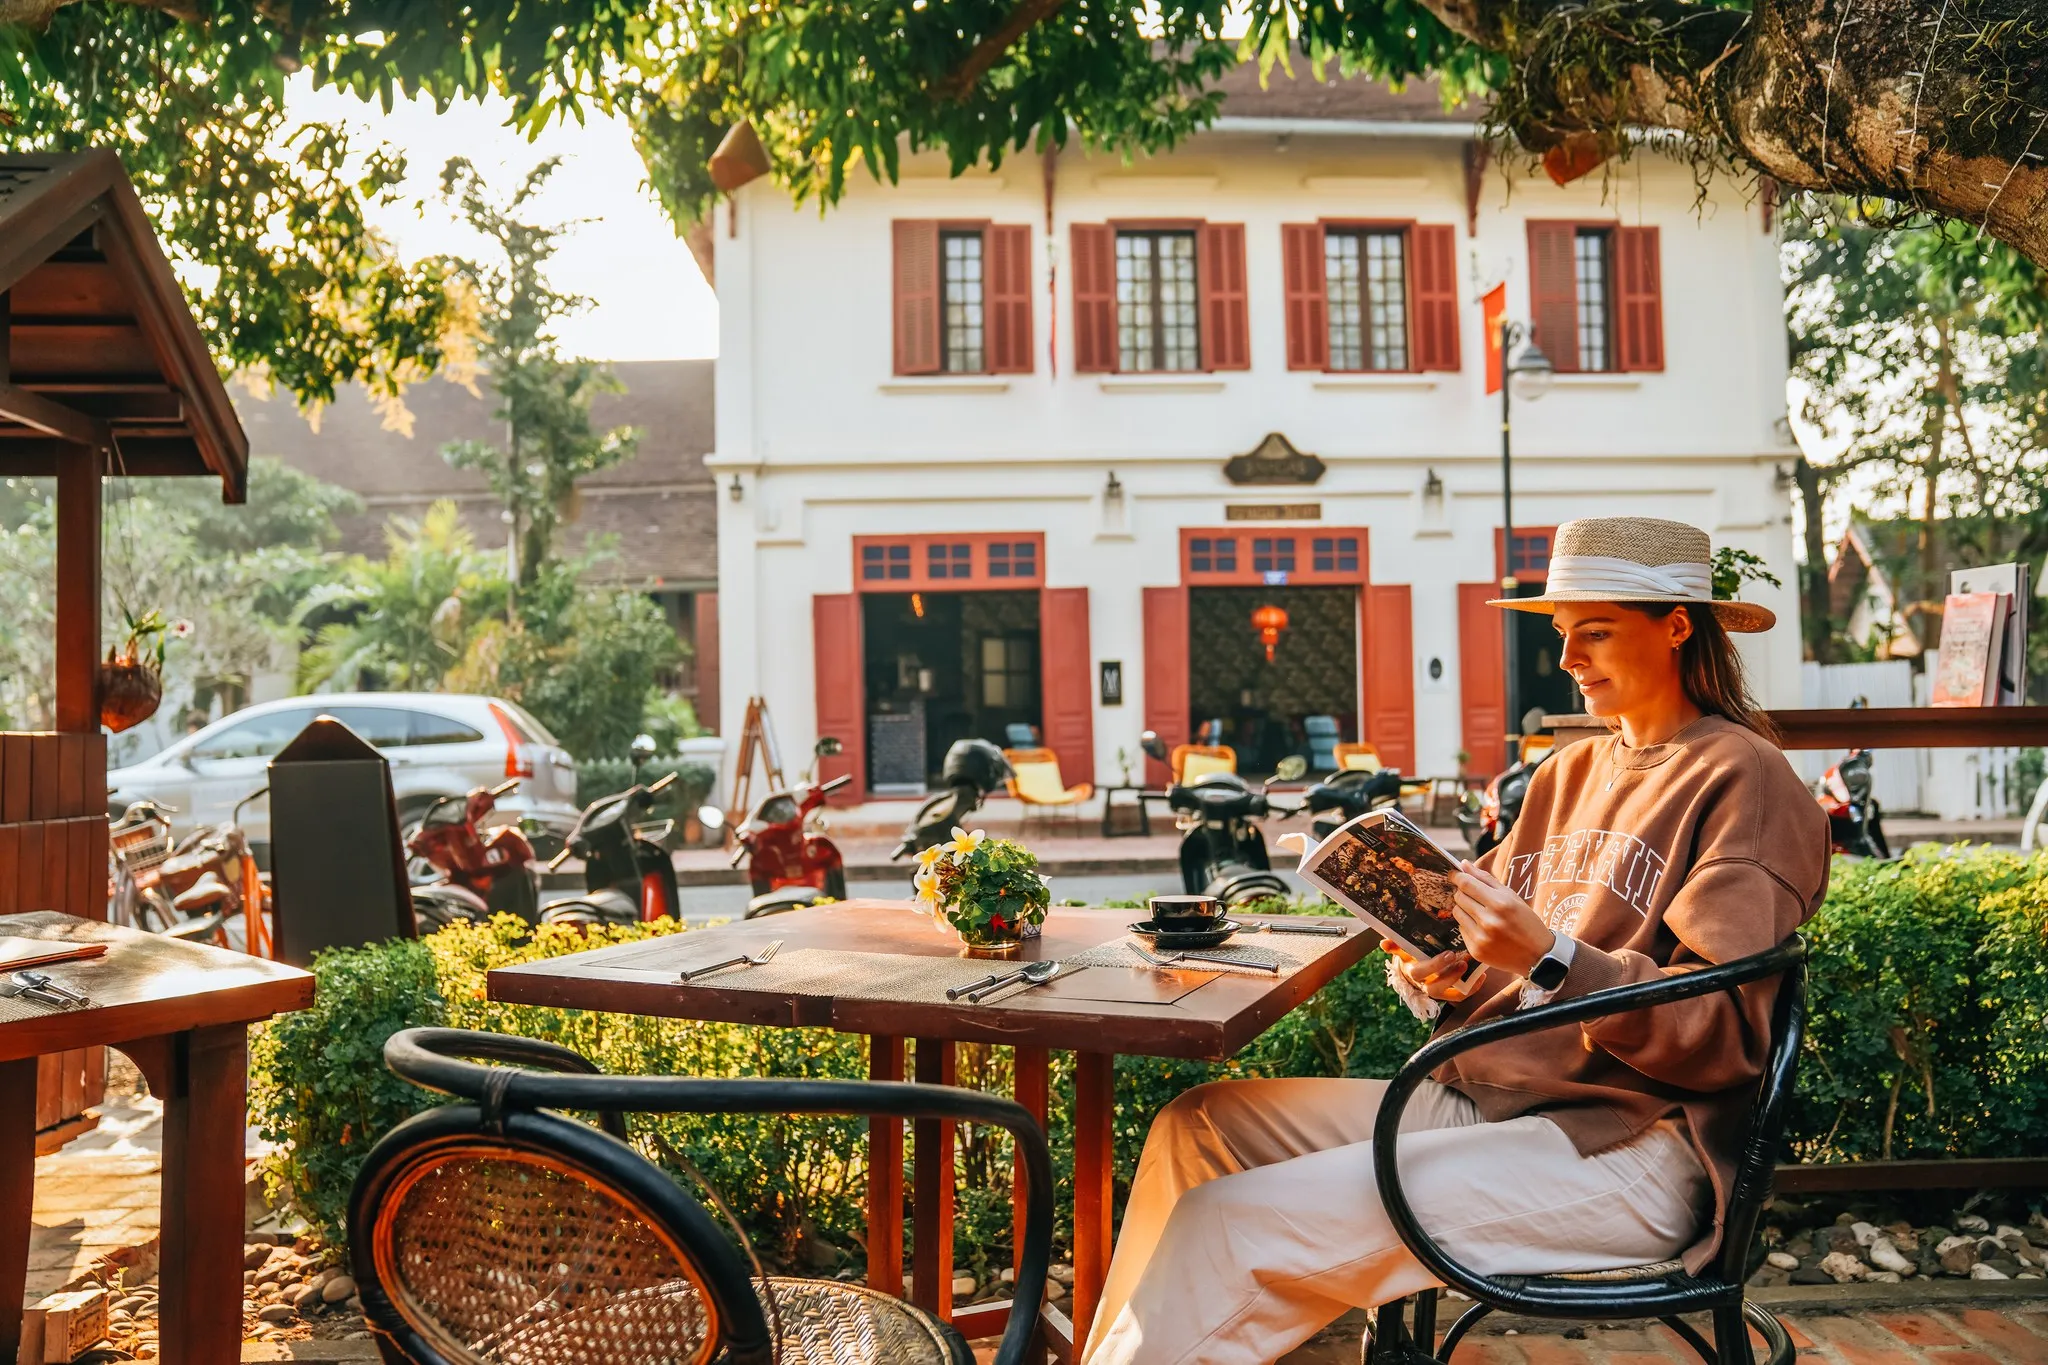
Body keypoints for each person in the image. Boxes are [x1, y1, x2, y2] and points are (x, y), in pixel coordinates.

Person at [1082, 517, 1829, 1365]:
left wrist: (1547, 955)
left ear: (1677, 625)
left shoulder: (1743, 776)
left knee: (1230, 1221)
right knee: (1199, 1127)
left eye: (1595, 631)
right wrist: (1440, 966)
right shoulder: (1568, 772)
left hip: (1634, 1143)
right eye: (1562, 632)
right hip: (1500, 1099)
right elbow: (1493, 947)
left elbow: (1721, 1031)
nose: (1567, 657)